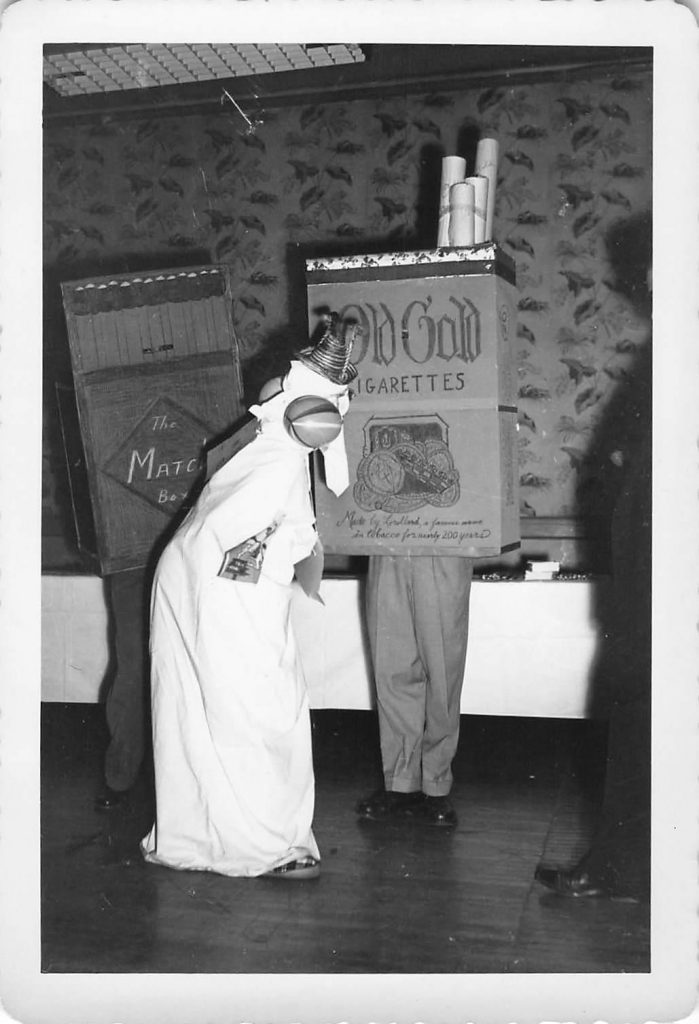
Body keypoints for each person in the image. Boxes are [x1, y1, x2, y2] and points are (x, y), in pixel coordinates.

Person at [140, 316, 356, 880]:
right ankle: (250, 843)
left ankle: (252, 837)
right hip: (207, 587)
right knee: (227, 709)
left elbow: (315, 424)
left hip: (225, 588)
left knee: (252, 709)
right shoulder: (267, 441)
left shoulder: (285, 446)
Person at [535, 212, 652, 901]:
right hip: (651, 585)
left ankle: (621, 868)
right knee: (637, 713)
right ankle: (621, 865)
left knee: (644, 715)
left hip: (670, 588)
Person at [357, 553, 474, 827]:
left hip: (445, 546)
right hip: (386, 545)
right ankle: (400, 781)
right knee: (391, 666)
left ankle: (436, 782)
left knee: (443, 669)